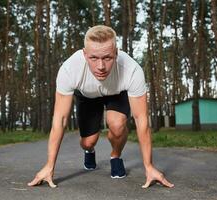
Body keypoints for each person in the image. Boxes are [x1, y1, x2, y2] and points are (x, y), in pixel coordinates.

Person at [28, 25, 174, 188]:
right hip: (87, 96)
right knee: (88, 142)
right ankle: (89, 151)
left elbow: (141, 120)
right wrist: (49, 165)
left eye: (107, 58)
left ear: (116, 53)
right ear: (84, 54)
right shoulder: (70, 69)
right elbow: (60, 120)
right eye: (93, 58)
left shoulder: (132, 70)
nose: (101, 66)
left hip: (116, 93)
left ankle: (116, 156)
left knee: (118, 125)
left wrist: (149, 166)